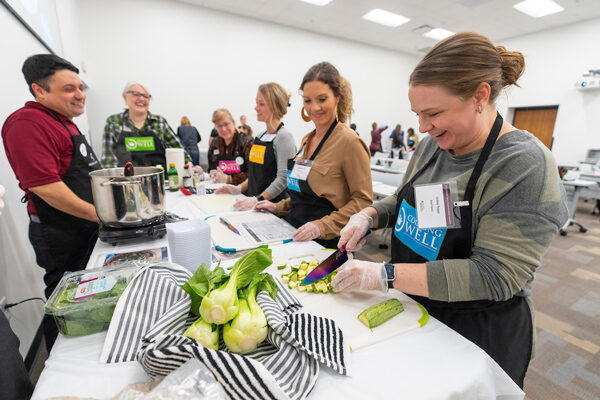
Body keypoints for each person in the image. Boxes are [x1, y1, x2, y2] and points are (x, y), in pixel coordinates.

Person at [332, 32, 568, 388]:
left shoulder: (524, 165)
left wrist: (385, 275)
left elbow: (494, 275)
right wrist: (370, 216)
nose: (423, 127)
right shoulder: (432, 147)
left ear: (480, 95)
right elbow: (403, 201)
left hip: (475, 331)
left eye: (434, 113)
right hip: (416, 309)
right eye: (418, 114)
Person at [2, 54, 101, 350]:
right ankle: (56, 371)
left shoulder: (65, 123)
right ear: (39, 90)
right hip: (60, 233)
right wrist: (101, 215)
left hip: (82, 226)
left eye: (80, 87)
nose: (80, 95)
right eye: (69, 89)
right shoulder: (28, 123)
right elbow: (46, 187)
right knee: (64, 302)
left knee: (87, 297)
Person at [255, 62, 372, 248]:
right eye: (308, 101)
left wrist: (320, 226)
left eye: (322, 99)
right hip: (297, 234)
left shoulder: (350, 142)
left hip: (327, 243)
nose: (314, 107)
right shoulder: (306, 140)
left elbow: (363, 202)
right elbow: (303, 195)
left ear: (337, 98)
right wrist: (278, 207)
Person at [216, 83, 297, 210]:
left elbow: (283, 179)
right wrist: (238, 188)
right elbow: (256, 174)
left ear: (274, 106)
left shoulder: (284, 137)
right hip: (254, 206)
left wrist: (258, 199)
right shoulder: (260, 136)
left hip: (272, 210)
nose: (256, 108)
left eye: (261, 104)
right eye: (256, 103)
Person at [101, 82, 195, 169]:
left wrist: (189, 165)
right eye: (136, 94)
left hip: (159, 182)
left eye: (146, 96)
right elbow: (108, 162)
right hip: (126, 183)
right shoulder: (114, 123)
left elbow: (180, 152)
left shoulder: (160, 123)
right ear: (125, 97)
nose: (141, 99)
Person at [207, 108, 253, 184]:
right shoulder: (215, 143)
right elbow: (211, 169)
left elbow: (253, 174)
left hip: (242, 192)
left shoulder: (247, 142)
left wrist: (229, 179)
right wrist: (205, 175)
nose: (223, 129)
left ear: (234, 123)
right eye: (219, 126)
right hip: (218, 191)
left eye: (226, 124)